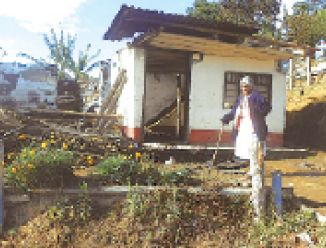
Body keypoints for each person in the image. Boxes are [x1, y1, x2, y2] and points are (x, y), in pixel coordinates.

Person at [221, 75, 271, 171]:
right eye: (242, 86)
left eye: (246, 86)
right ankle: (252, 171)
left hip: (254, 127)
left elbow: (267, 107)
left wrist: (259, 112)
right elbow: (234, 111)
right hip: (243, 127)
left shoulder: (257, 96)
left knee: (255, 151)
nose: (244, 88)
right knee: (246, 152)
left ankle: (256, 172)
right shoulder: (240, 98)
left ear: (251, 87)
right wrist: (226, 118)